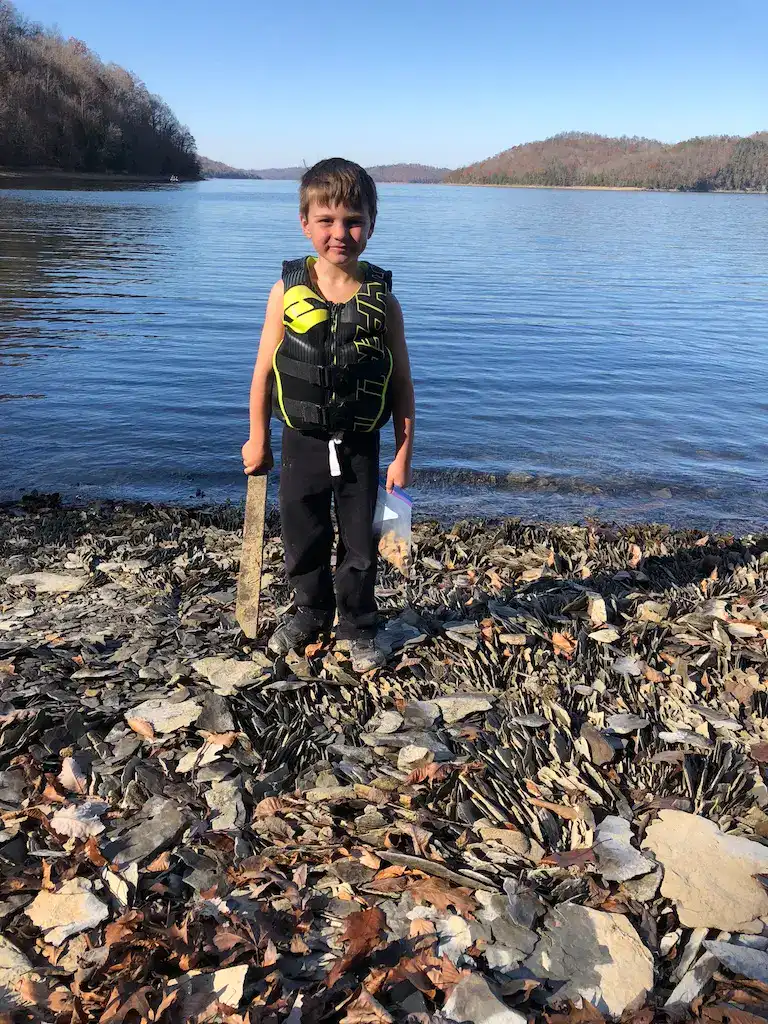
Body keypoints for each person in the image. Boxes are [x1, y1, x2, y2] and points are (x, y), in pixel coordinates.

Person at [241, 158, 415, 673]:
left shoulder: (384, 302)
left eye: (354, 220)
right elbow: (263, 373)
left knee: (361, 540)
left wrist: (403, 456)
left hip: (361, 445)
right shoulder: (285, 292)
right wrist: (258, 437)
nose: (341, 233)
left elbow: (402, 383)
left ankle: (359, 623)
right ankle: (310, 610)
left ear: (371, 225)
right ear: (305, 223)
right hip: (301, 442)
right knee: (304, 532)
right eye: (327, 220)